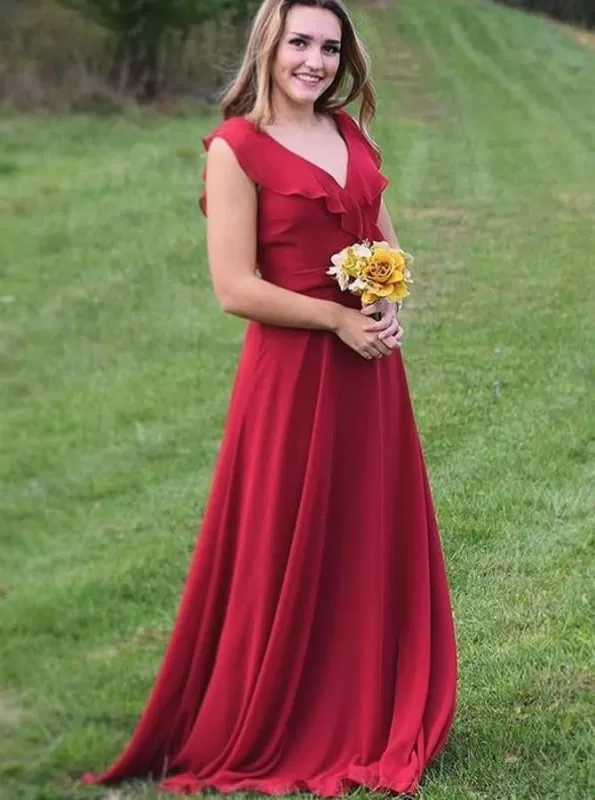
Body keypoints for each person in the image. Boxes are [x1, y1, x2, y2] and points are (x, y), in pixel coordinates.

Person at [83, 0, 458, 795]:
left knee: (363, 529)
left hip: (370, 373)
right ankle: (284, 709)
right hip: (291, 378)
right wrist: (334, 319)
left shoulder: (348, 134)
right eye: (300, 44)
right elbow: (233, 287)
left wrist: (387, 297)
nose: (314, 62)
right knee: (286, 536)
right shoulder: (236, 148)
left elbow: (381, 237)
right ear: (268, 46)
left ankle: (365, 701)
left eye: (328, 47)